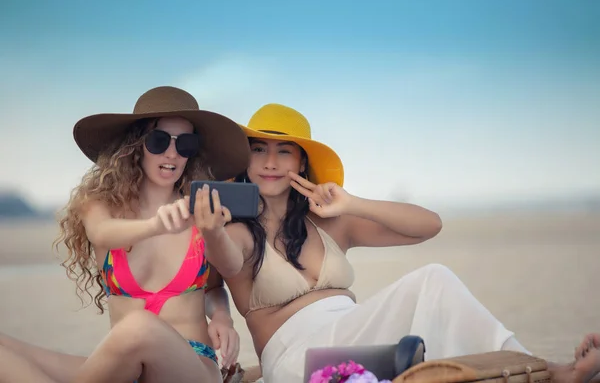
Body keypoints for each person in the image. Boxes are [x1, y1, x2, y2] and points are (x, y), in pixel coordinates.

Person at [196, 102, 600, 383]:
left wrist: (352, 202)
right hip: (296, 360)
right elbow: (228, 262)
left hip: (358, 335)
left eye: (284, 151)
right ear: (246, 159)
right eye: (259, 149)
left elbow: (429, 225)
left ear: (301, 162)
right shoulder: (236, 229)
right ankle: (551, 371)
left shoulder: (331, 224)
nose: (270, 162)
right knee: (433, 281)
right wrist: (212, 229)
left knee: (431, 323)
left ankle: (532, 369)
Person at [0, 86, 249, 383]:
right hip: (126, 370)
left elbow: (227, 271)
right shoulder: (99, 204)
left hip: (191, 365)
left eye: (185, 144)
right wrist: (156, 225)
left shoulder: (201, 209)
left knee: (138, 326)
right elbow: (102, 233)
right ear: (135, 145)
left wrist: (222, 313)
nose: (172, 153)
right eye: (159, 141)